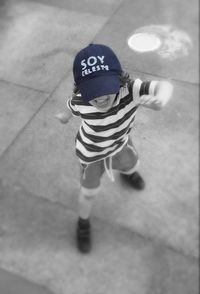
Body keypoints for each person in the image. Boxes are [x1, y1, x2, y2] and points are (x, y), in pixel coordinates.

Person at [56, 43, 173, 254]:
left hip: (120, 144)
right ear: (81, 88)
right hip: (91, 154)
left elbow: (164, 86)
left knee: (131, 164)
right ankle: (83, 224)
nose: (99, 99)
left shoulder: (132, 90)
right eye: (92, 92)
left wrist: (161, 99)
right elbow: (70, 107)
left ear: (120, 80)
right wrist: (64, 118)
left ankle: (129, 174)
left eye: (103, 89)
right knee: (88, 193)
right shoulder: (80, 100)